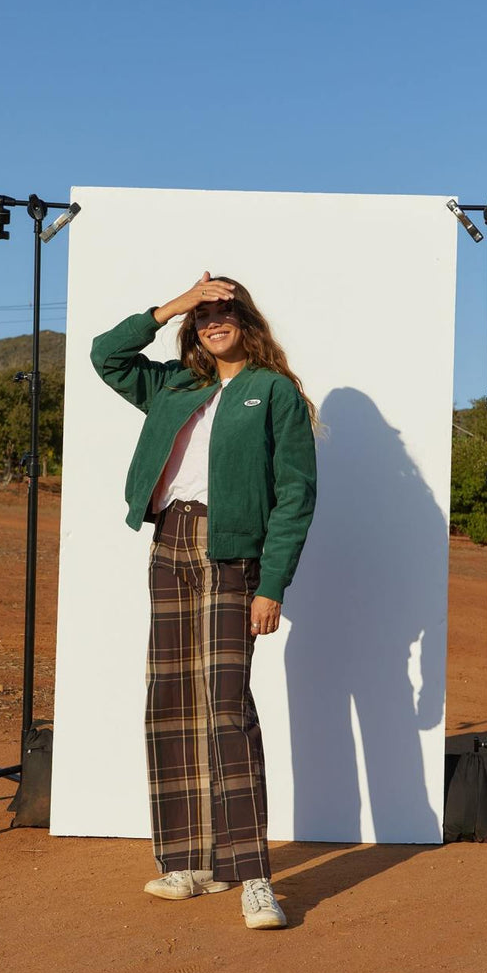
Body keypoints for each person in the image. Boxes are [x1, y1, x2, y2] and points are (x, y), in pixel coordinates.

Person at [90, 271, 318, 929]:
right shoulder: (173, 384)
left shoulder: (272, 390)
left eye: (225, 311)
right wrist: (172, 306)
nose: (214, 321)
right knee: (170, 702)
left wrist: (272, 583)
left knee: (226, 708)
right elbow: (106, 355)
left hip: (231, 553)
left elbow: (295, 493)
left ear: (247, 321)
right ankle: (189, 863)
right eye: (204, 314)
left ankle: (254, 877)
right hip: (169, 544)